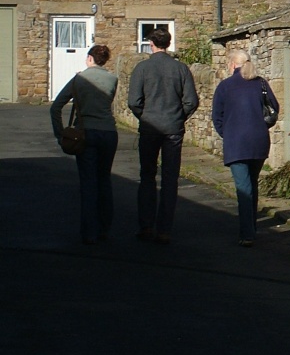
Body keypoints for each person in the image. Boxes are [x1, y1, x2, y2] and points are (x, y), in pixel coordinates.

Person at [128, 27, 199, 244]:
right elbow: (191, 101)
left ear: (151, 44)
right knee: (170, 179)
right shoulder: (180, 69)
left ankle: (146, 225)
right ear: (168, 44)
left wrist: (145, 116)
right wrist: (178, 117)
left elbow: (133, 102)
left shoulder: (142, 68)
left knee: (147, 176)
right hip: (173, 128)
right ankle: (164, 229)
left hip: (150, 127)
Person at [50, 45, 120, 245]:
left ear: (90, 58)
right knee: (104, 180)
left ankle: (89, 233)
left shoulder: (78, 79)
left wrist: (60, 133)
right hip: (109, 132)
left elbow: (56, 107)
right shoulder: (113, 79)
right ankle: (104, 228)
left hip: (86, 132)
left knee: (89, 184)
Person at [211, 49, 278, 247]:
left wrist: (228, 133)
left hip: (236, 142)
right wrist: (260, 125)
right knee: (252, 184)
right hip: (259, 140)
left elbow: (217, 117)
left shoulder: (225, 86)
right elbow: (274, 108)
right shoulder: (261, 83)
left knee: (243, 187)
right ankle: (252, 227)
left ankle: (247, 233)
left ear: (232, 64)